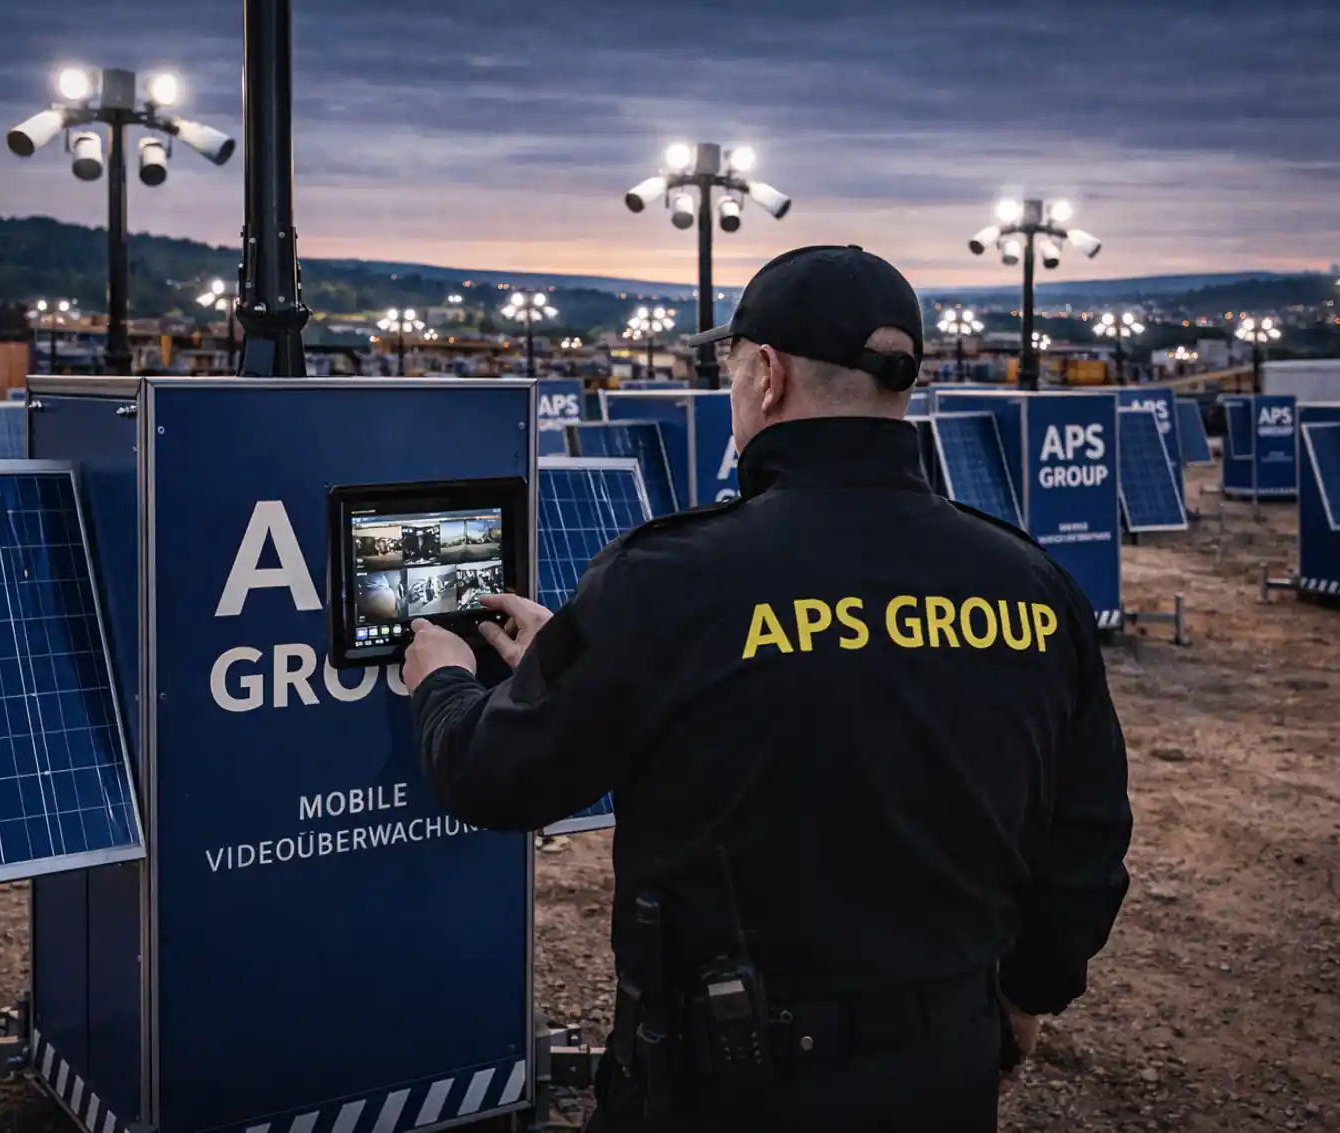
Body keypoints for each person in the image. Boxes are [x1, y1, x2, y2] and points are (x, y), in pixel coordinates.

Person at [401, 245, 1132, 1132]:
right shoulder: (1030, 583)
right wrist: (1026, 998)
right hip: (940, 1073)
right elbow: (1087, 832)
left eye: (732, 366)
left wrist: (442, 678)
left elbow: (499, 774)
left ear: (769, 376)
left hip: (721, 1085)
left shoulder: (667, 583)